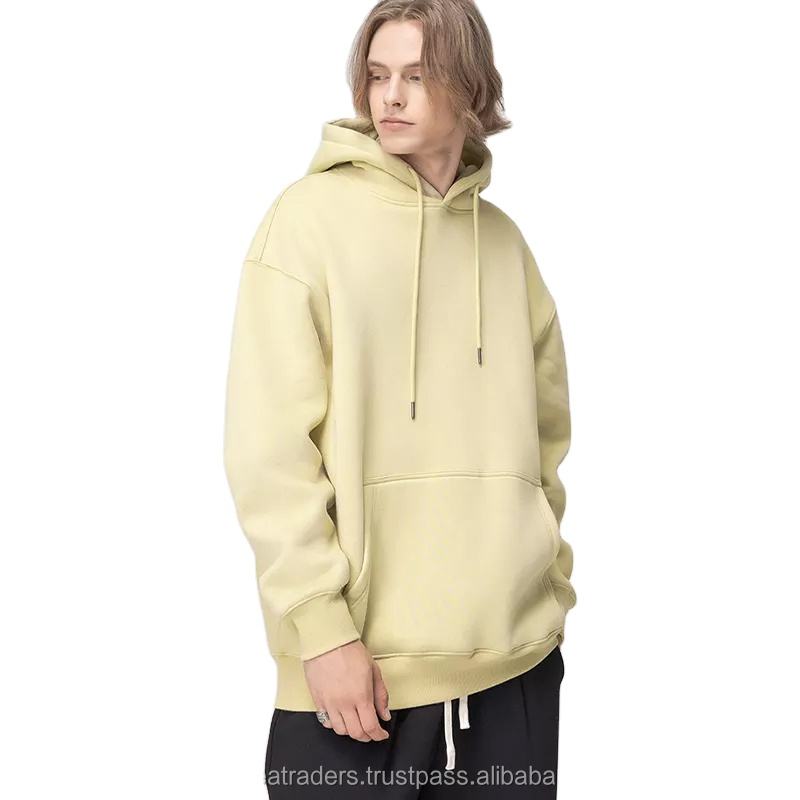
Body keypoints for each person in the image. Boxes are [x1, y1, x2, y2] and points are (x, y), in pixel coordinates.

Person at [223, 0, 577, 796]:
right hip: (356, 677)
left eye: (417, 76)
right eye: (378, 75)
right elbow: (267, 452)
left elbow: (547, 441)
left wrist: (546, 583)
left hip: (515, 667)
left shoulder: (505, 246)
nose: (390, 96)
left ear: (471, 87)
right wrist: (320, 630)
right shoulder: (305, 225)